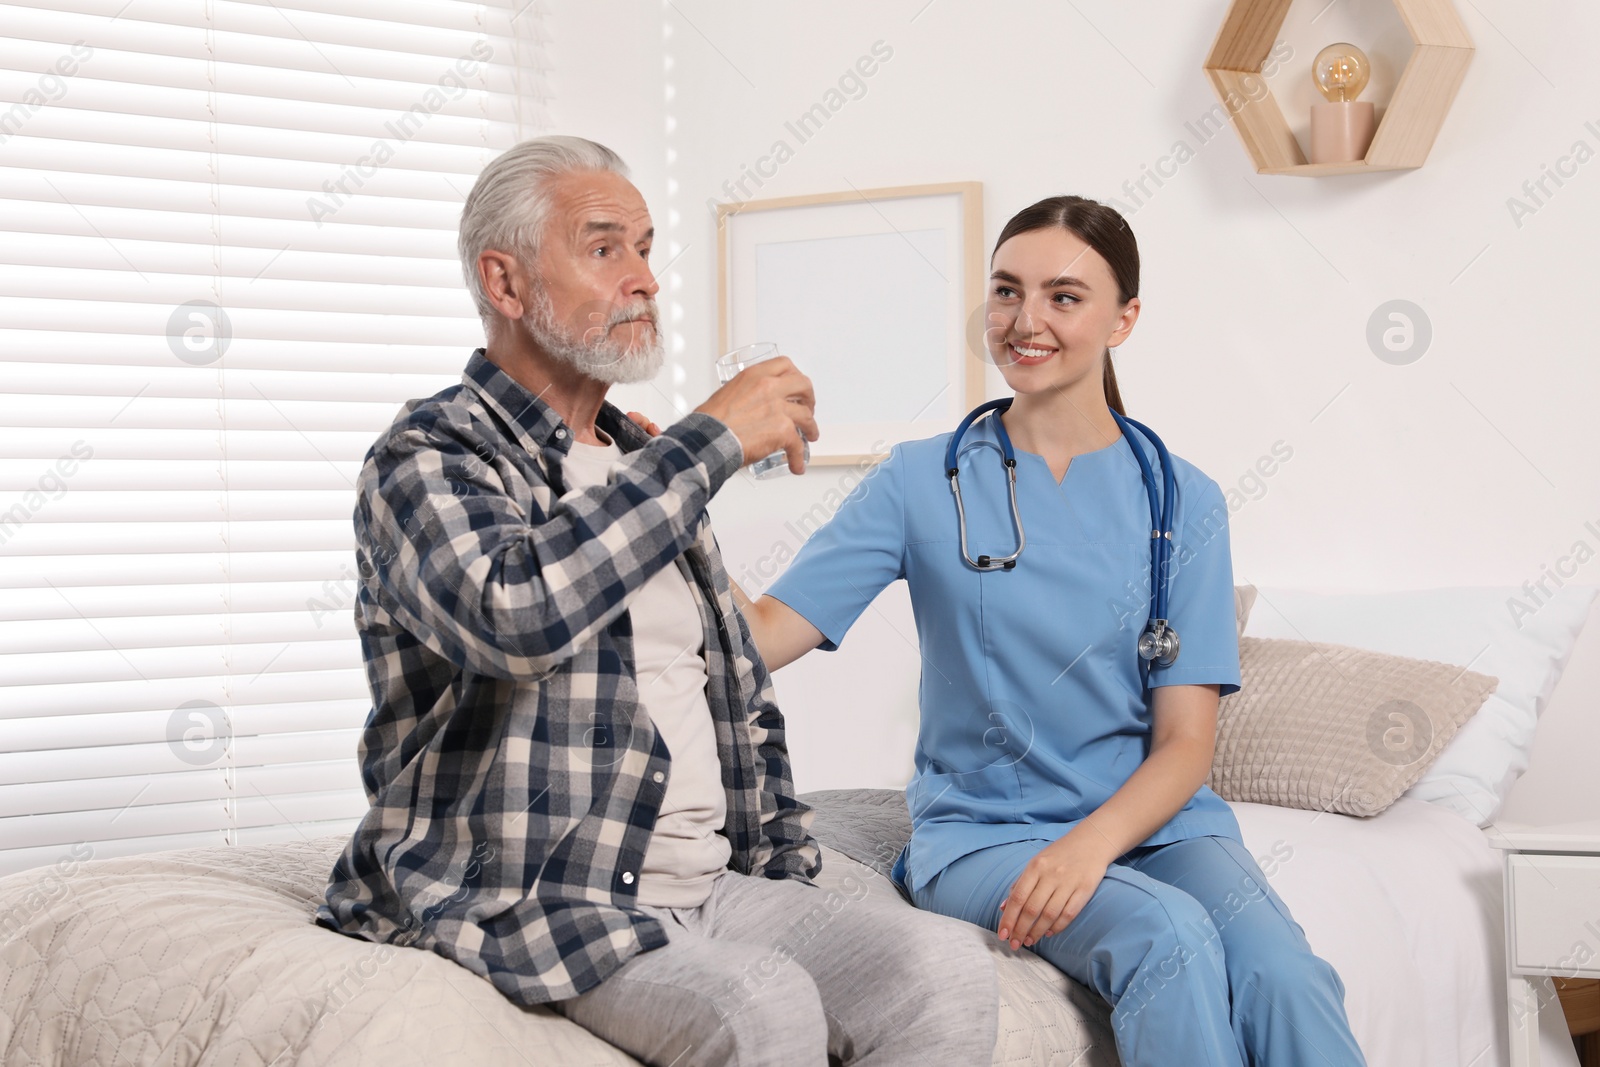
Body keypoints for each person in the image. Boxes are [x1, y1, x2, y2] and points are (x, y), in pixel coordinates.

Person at [314, 135, 999, 1067]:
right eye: (605, 249)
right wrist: (710, 439)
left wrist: (785, 864)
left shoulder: (643, 459)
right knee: (758, 1006)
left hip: (704, 880)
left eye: (644, 247)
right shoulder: (431, 454)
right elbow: (515, 614)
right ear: (504, 284)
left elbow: (731, 683)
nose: (644, 279)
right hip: (534, 890)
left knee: (946, 967)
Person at [729, 196, 1368, 1067]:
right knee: (1166, 935)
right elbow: (759, 635)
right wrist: (673, 497)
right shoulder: (924, 482)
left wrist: (1088, 848)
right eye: (1005, 292)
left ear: (1124, 318)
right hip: (985, 833)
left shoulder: (1182, 501)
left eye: (1063, 297)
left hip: (1160, 825)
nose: (1025, 321)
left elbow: (1185, 743)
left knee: (1287, 975)